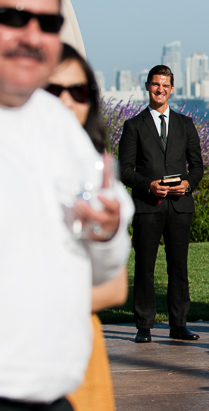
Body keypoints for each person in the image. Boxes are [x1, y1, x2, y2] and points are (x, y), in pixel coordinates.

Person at [0, 0, 132, 410]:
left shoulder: (61, 132)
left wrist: (105, 230)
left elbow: (106, 271)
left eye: (48, 23)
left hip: (55, 394)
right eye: (14, 17)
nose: (32, 36)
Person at [45, 44, 127, 411]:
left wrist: (105, 233)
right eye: (52, 90)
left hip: (72, 347)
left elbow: (113, 289)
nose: (65, 101)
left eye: (78, 91)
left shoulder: (100, 180)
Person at [119, 65, 204, 343]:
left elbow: (198, 167)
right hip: (148, 206)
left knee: (178, 267)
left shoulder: (185, 124)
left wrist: (188, 184)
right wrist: (148, 185)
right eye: (156, 84)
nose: (160, 89)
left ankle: (179, 324)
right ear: (147, 86)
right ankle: (144, 325)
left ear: (172, 88)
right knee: (145, 266)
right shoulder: (133, 126)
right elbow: (124, 169)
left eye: (165, 85)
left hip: (180, 207)